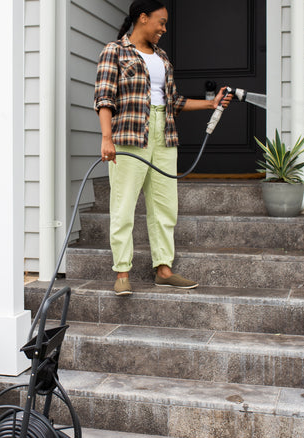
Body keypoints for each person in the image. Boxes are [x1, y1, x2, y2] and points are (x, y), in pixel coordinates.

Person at [94, 0, 232, 296]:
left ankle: (164, 270)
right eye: (161, 22)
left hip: (165, 136)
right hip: (129, 136)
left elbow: (173, 101)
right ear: (143, 18)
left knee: (165, 206)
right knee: (124, 205)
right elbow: (104, 98)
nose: (164, 29)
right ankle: (122, 272)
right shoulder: (115, 51)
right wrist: (107, 137)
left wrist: (211, 103)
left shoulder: (162, 58)